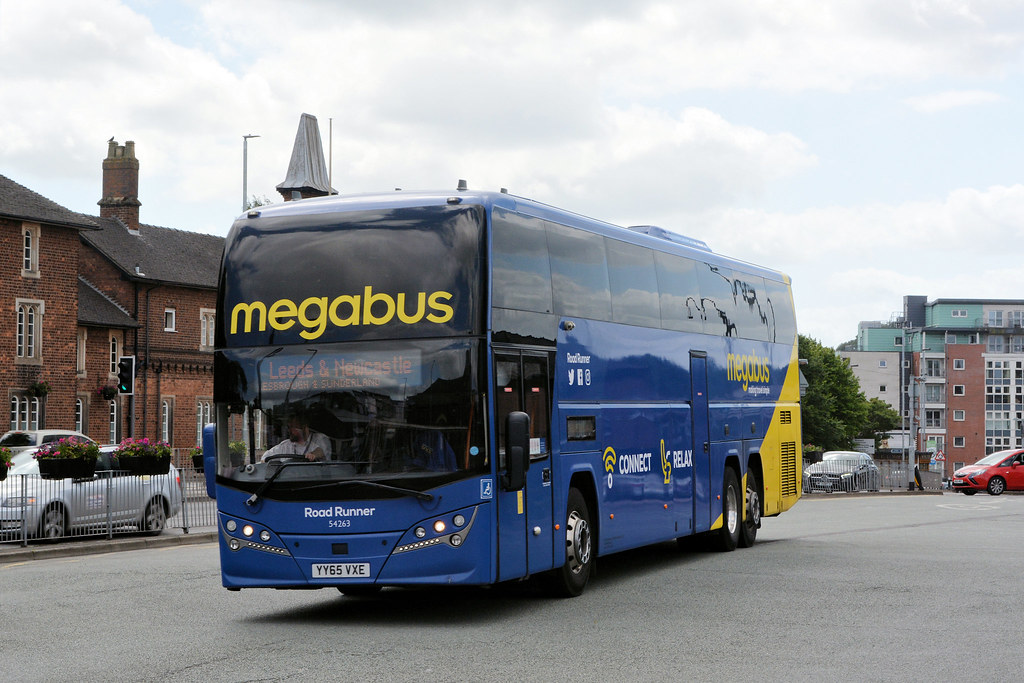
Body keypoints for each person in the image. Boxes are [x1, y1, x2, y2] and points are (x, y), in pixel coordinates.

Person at [261, 415, 331, 462]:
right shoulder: (285, 445)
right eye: (289, 427)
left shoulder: (318, 440)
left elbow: (321, 452)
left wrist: (313, 455)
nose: (289, 430)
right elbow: (265, 458)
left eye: (293, 427)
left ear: (304, 427)